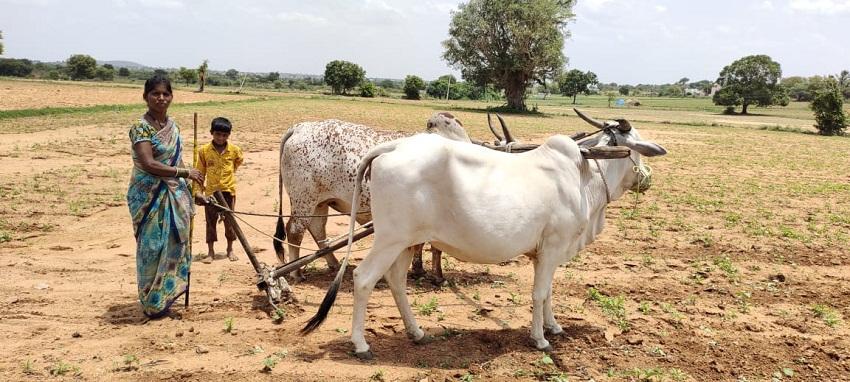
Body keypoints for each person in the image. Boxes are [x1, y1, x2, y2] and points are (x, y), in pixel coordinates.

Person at [127, 75, 203, 318]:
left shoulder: (173, 127)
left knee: (173, 243)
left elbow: (177, 160)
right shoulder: (141, 127)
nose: (161, 98)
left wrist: (190, 189)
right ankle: (150, 301)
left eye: (165, 94)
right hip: (147, 196)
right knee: (151, 247)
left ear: (171, 97)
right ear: (145, 96)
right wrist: (184, 172)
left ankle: (165, 296)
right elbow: (149, 163)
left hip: (174, 193)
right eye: (155, 94)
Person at [194, 117, 244, 263]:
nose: (221, 138)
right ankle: (210, 252)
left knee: (230, 222)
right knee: (210, 222)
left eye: (224, 135)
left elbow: (238, 162)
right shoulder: (204, 151)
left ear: (229, 135)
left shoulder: (234, 151)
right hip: (210, 193)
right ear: (211, 133)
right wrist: (198, 192)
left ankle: (230, 249)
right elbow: (200, 173)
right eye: (218, 134)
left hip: (228, 192)